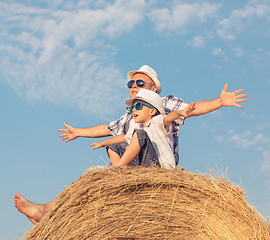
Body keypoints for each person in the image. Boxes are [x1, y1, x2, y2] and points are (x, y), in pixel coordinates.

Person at [14, 65, 247, 224]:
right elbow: (108, 129)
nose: (133, 86)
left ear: (154, 88)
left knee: (139, 138)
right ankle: (48, 210)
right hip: (135, 166)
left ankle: (116, 173)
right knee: (93, 173)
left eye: (139, 82)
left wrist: (220, 102)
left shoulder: (162, 104)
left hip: (157, 166)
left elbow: (191, 110)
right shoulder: (132, 112)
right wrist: (79, 133)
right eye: (130, 83)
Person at [90, 89, 196, 170]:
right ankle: (120, 171)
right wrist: (103, 143)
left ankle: (118, 168)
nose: (134, 109)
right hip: (143, 165)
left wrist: (180, 113)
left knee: (140, 135)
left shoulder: (157, 121)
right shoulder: (138, 127)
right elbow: (122, 138)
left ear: (152, 111)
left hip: (159, 167)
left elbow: (169, 117)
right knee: (113, 147)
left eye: (139, 106)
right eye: (132, 108)